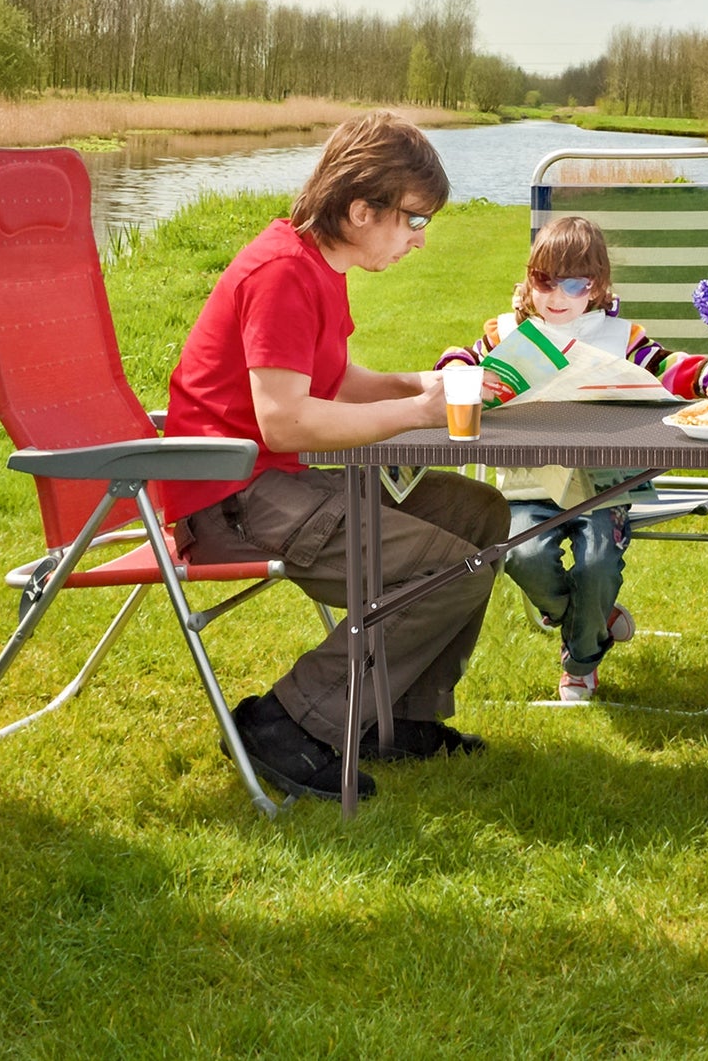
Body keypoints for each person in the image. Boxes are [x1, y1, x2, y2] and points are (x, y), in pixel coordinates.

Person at [162, 111, 509, 802]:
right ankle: (286, 719)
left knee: (480, 513)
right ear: (360, 209)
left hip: (272, 482)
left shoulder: (318, 267)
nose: (418, 239)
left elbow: (336, 378)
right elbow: (285, 420)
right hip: (230, 497)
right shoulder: (281, 273)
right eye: (413, 220)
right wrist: (415, 413)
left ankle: (394, 716)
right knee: (451, 569)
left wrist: (418, 383)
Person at [437, 215, 708, 702]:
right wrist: (458, 369)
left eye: (574, 283)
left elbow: (668, 366)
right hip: (527, 485)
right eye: (544, 281)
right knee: (522, 554)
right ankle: (591, 615)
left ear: (596, 286)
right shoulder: (507, 335)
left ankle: (580, 663)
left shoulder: (619, 337)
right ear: (529, 278)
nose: (556, 295)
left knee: (598, 564)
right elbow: (460, 360)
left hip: (603, 486)